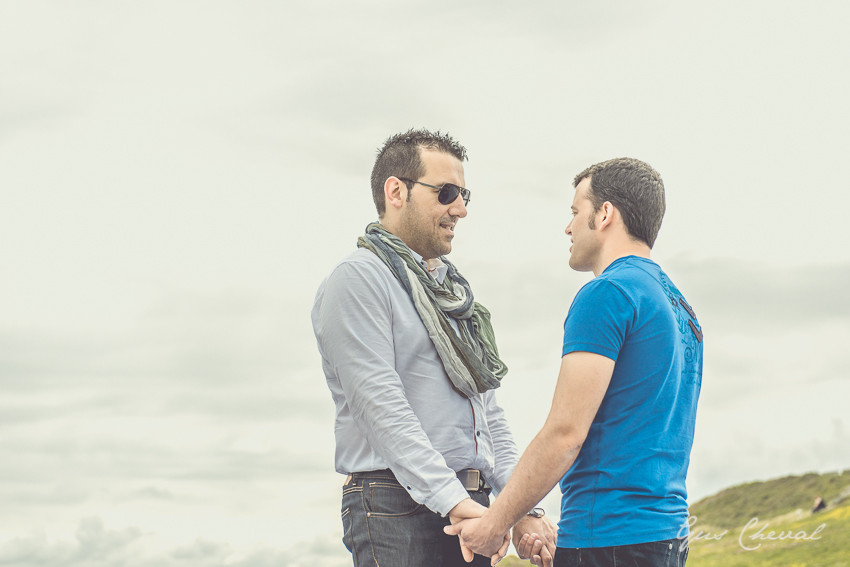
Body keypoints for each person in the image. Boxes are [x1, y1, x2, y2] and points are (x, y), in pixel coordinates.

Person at [311, 129, 557, 567]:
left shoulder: (452, 293)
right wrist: (460, 507)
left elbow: (488, 416)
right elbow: (381, 407)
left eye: (464, 194)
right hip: (396, 507)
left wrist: (519, 510)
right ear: (396, 191)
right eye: (446, 193)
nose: (460, 209)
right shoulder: (357, 280)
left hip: (470, 505)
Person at [446, 157, 703, 566]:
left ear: (604, 214)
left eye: (574, 212)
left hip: (609, 537)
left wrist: (496, 522)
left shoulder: (608, 293)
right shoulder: (680, 306)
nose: (568, 227)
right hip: (665, 536)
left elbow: (565, 432)